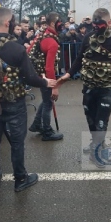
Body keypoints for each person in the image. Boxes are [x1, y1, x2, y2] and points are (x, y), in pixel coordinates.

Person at [0, 7, 56, 192]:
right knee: (17, 143)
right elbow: (29, 77)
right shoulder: (16, 48)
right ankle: (20, 179)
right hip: (15, 102)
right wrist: (46, 82)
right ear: (7, 23)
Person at [55, 8, 111, 165]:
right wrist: (67, 75)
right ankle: (97, 143)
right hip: (89, 85)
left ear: (109, 22)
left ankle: (96, 153)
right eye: (95, 24)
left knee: (101, 120)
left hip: (108, 86)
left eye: (101, 24)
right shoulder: (88, 37)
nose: (97, 27)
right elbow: (79, 59)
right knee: (91, 118)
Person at [26, 12, 66, 141]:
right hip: (45, 76)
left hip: (39, 74)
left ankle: (37, 124)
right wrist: (54, 86)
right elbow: (49, 67)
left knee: (45, 100)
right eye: (60, 21)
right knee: (48, 102)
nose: (62, 24)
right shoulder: (51, 42)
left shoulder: (43, 34)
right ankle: (47, 132)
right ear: (53, 23)